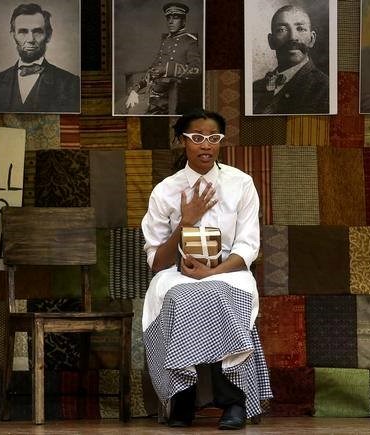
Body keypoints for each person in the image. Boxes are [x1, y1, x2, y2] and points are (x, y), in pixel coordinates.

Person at [141, 109, 272, 430]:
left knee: (216, 294)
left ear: (221, 143)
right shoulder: (166, 190)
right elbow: (157, 261)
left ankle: (233, 401)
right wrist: (185, 221)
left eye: (213, 138)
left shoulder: (241, 184)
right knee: (180, 297)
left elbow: (247, 246)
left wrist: (213, 272)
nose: (206, 146)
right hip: (177, 273)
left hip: (228, 271)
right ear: (181, 142)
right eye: (197, 138)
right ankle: (182, 398)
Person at [0, 3, 80, 113]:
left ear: (48, 35)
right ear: (13, 35)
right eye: (23, 31)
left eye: (37, 32)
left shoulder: (70, 83)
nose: (30, 39)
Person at [125, 2, 202, 115]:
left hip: (167, 95)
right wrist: (136, 89)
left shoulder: (190, 41)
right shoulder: (166, 41)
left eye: (175, 18)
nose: (170, 21)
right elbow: (153, 68)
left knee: (131, 112)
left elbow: (197, 70)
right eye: (168, 18)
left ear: (183, 21)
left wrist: (166, 69)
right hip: (150, 90)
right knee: (119, 106)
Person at [252, 5, 329, 114]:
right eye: (282, 30)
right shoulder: (254, 88)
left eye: (300, 29)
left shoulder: (326, 89)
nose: (292, 37)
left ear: (312, 39)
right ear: (271, 41)